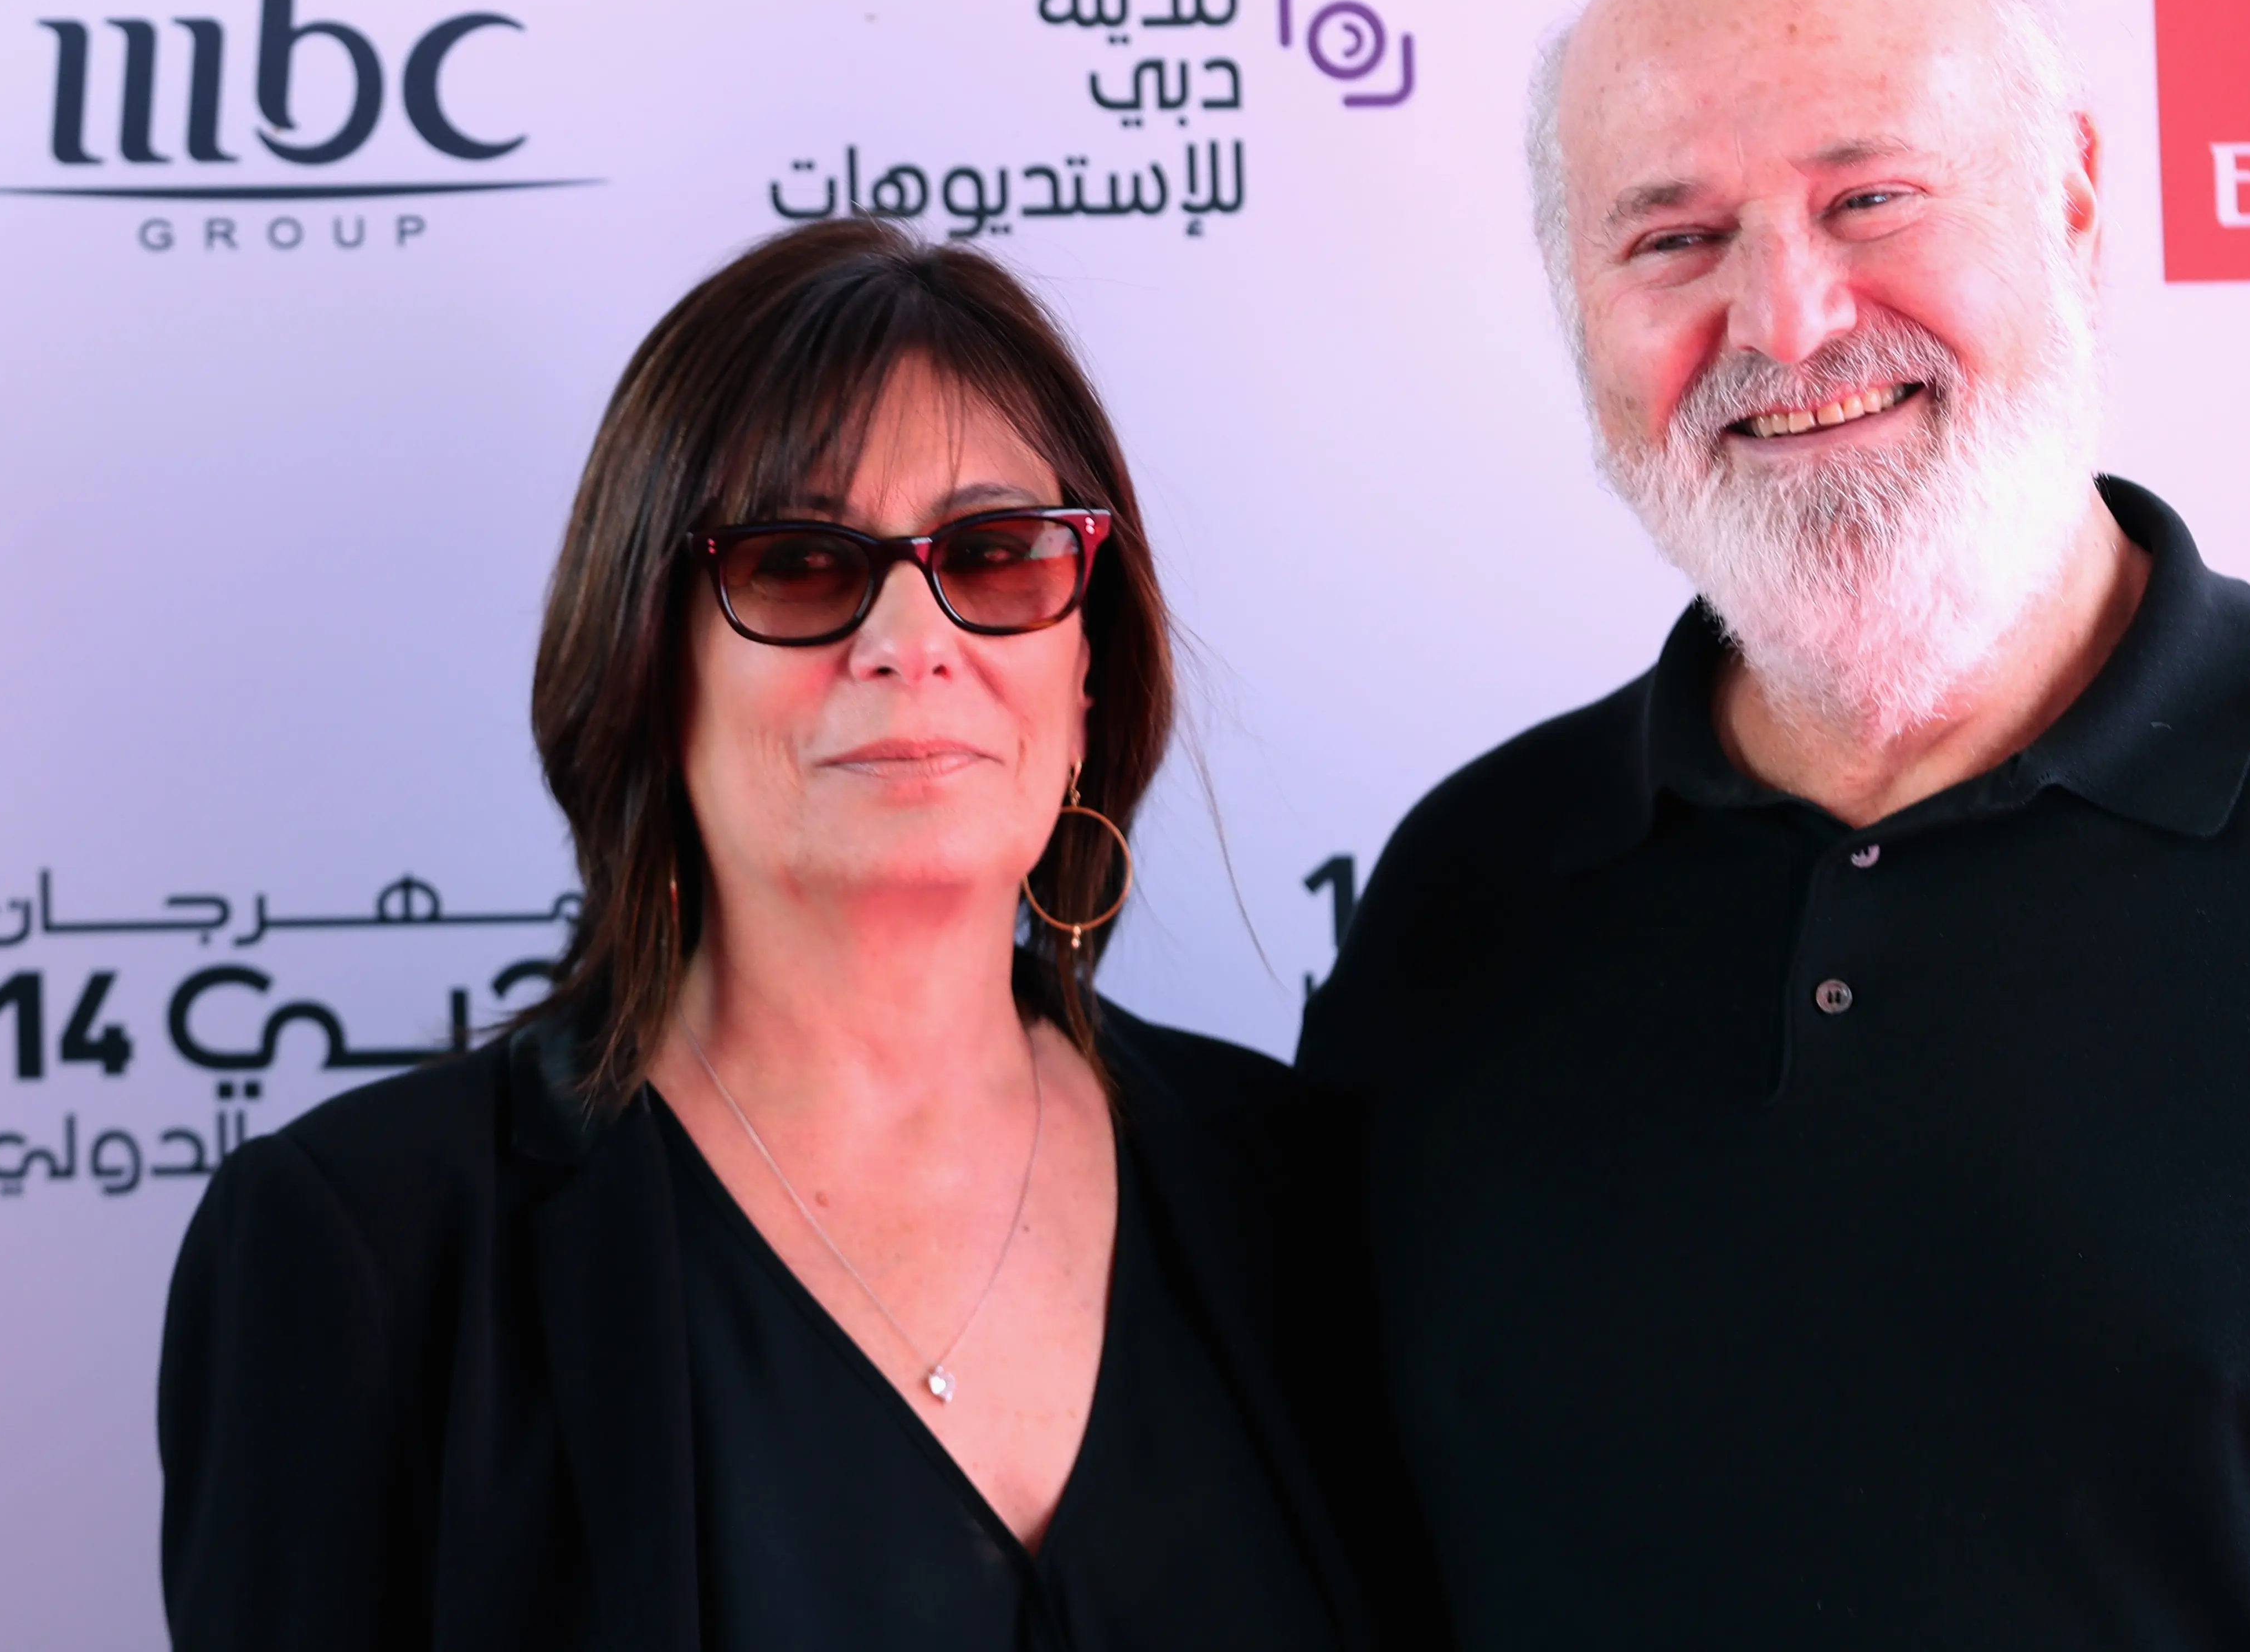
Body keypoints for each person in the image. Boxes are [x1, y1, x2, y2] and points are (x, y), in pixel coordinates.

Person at [1299, 0, 2250, 1648]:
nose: (1789, 320)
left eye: (1870, 196)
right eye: (1672, 238)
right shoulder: (1462, 910)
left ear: (2072, 202)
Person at [161, 219, 1438, 1651]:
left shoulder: (1306, 1191)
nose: (911, 636)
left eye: (999, 553)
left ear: (1091, 672)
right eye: (798, 561)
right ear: (649, 667)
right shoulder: (372, 1253)